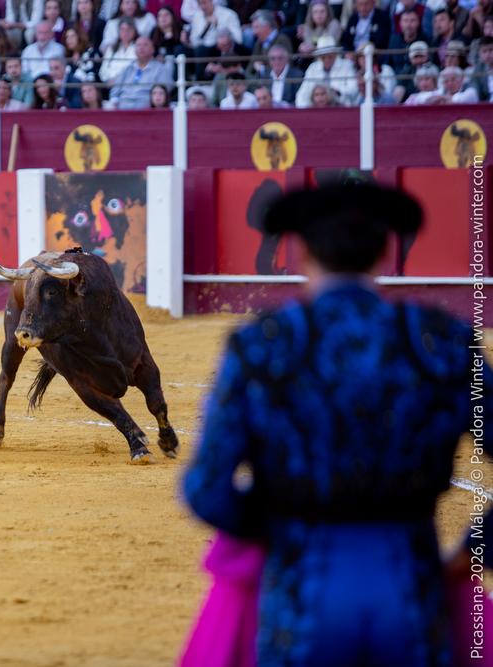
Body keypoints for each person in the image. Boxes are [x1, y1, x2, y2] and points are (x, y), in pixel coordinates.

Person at [182, 182, 482, 666]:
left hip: (302, 586)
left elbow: (205, 489)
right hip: (410, 584)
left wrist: (273, 528)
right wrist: (474, 551)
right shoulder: (443, 342)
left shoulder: (264, 343)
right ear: (387, 252)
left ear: (301, 253)